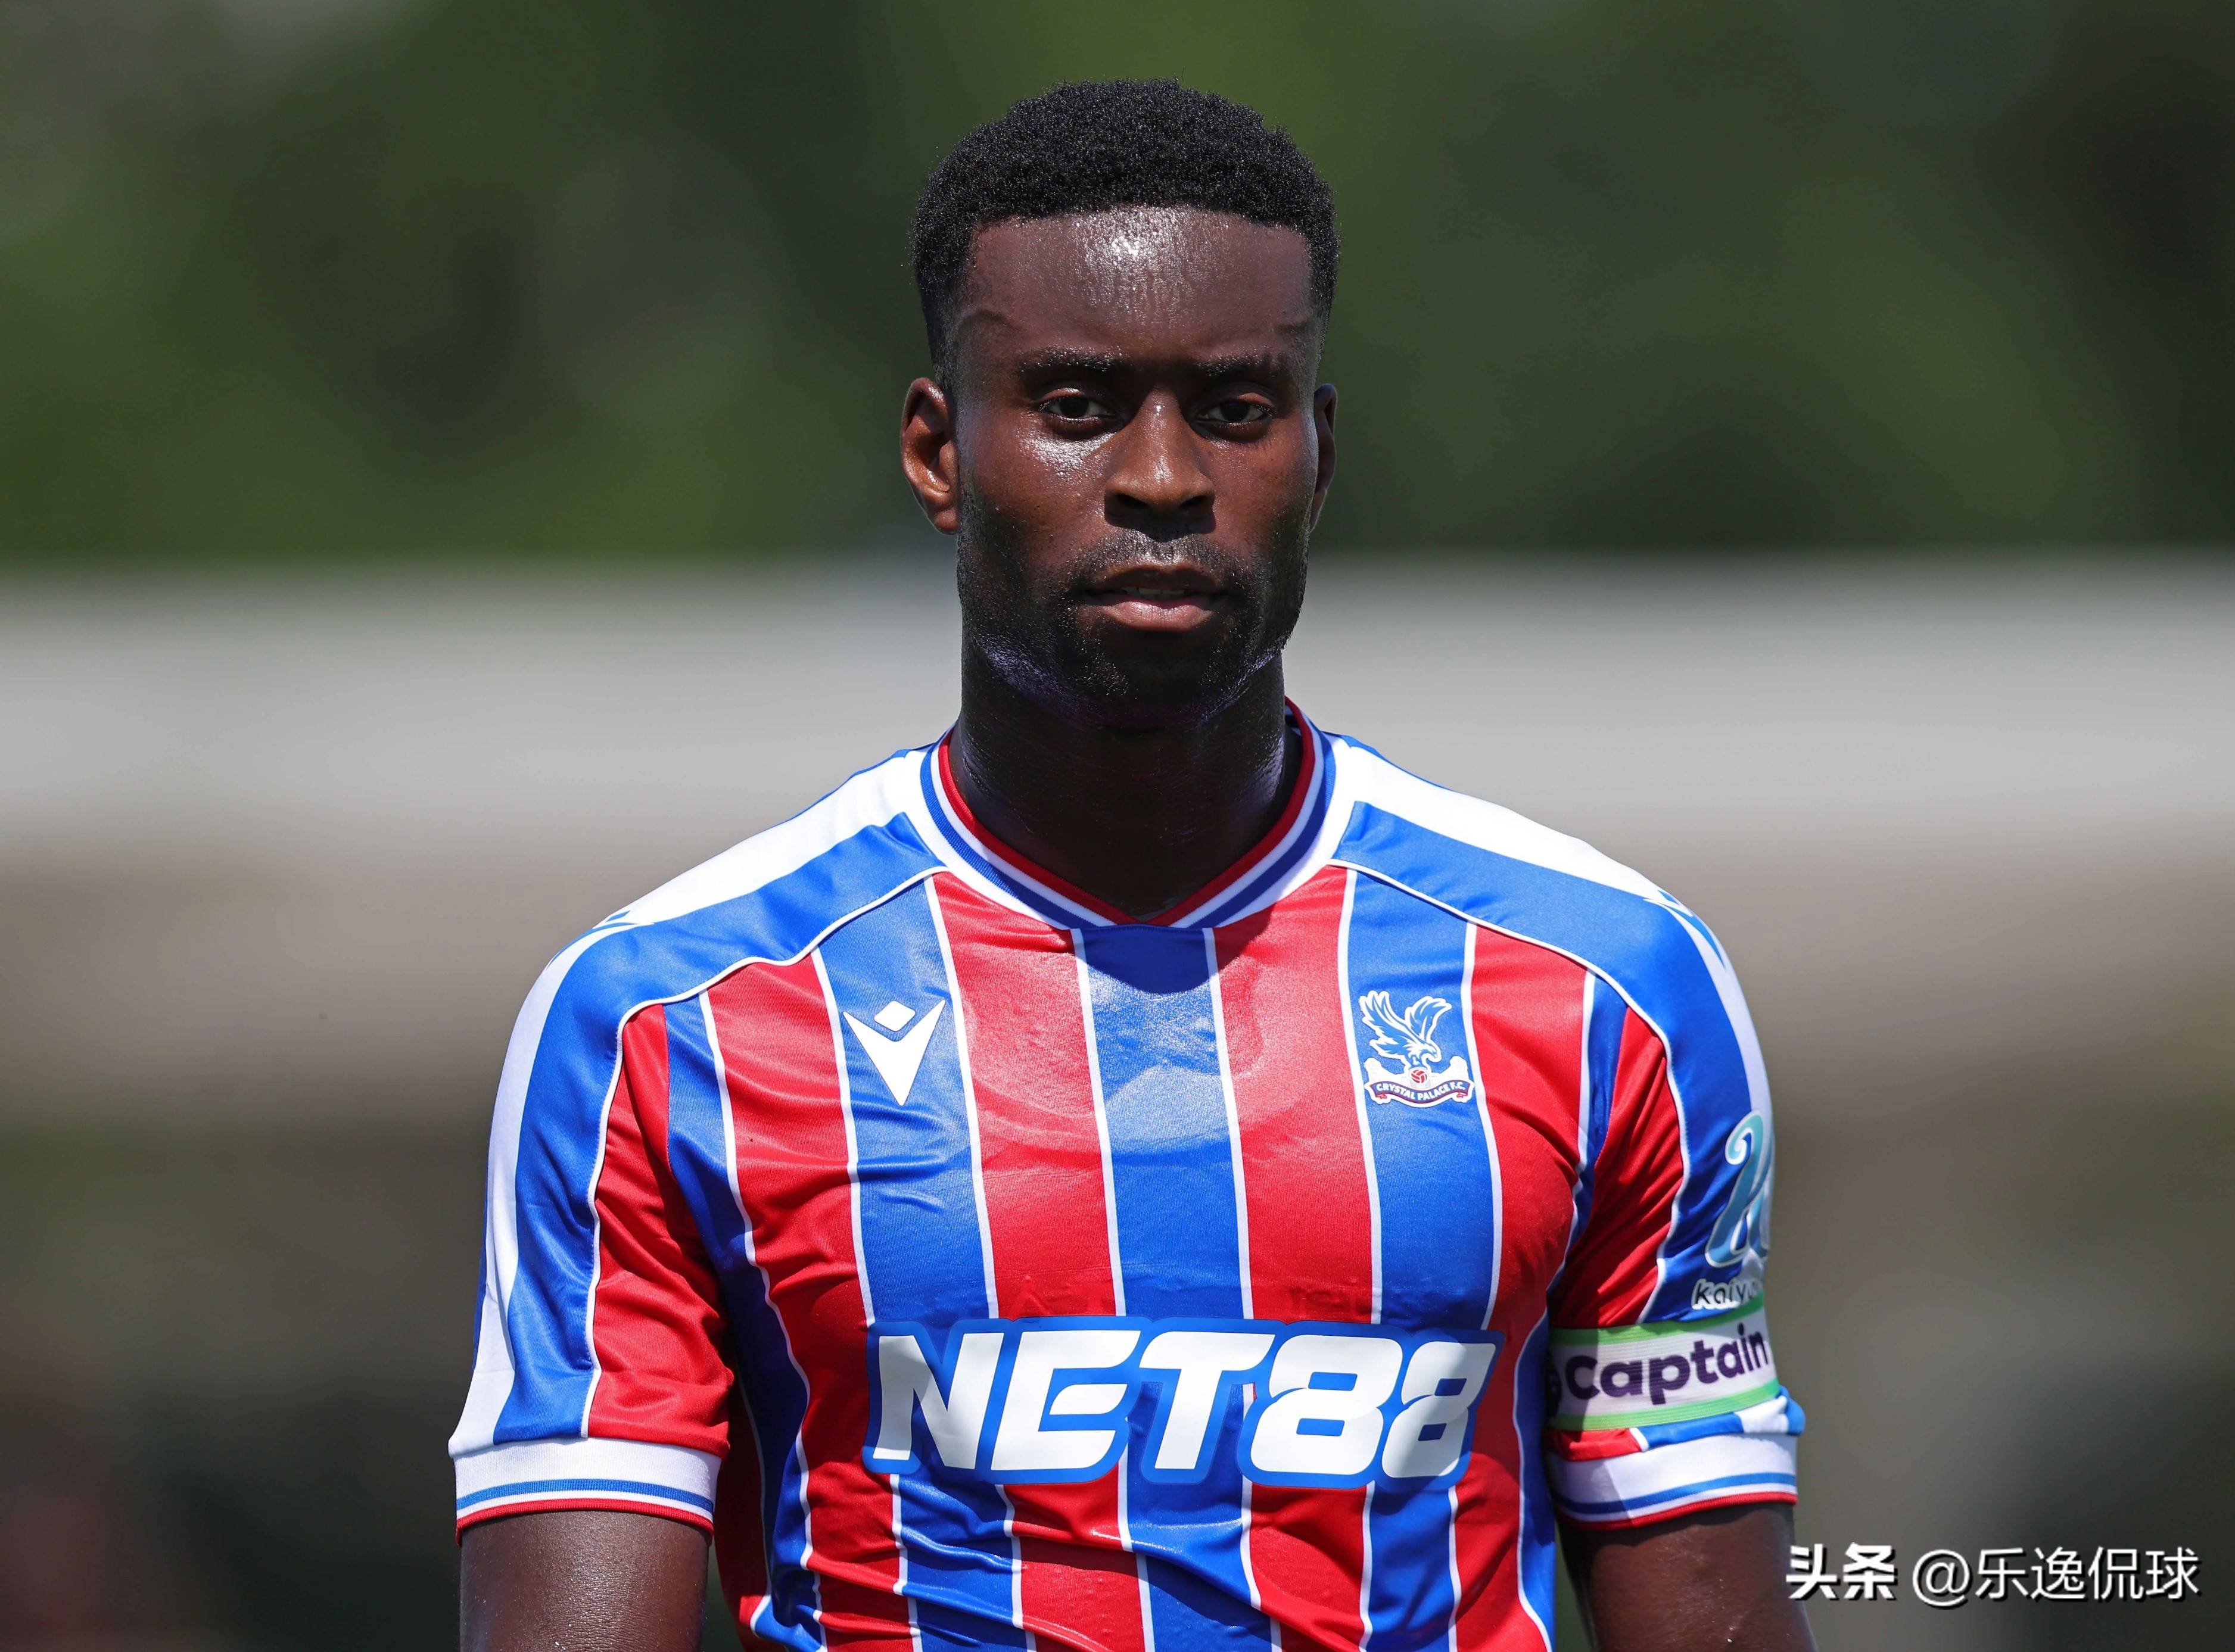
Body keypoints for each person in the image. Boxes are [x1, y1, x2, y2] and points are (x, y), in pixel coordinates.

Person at [453, 79, 1811, 1652]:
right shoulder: (664, 1022)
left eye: (1233, 407)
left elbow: (1710, 1615)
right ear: (938, 451)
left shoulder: (1606, 994)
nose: (1163, 476)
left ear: (1318, 451)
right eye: (1078, 403)